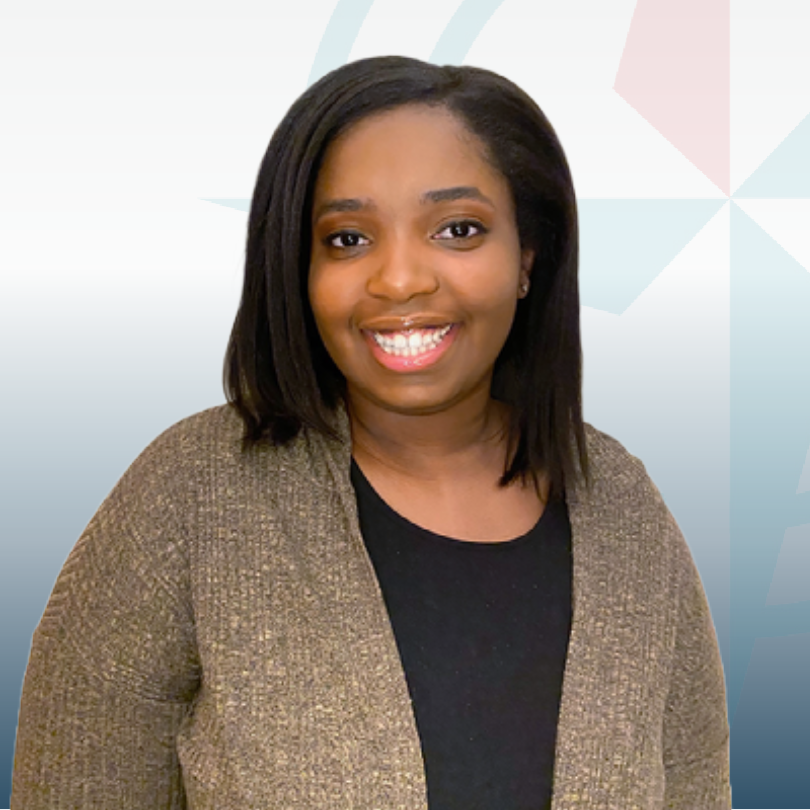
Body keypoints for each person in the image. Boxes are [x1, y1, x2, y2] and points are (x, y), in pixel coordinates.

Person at [11, 56, 730, 809]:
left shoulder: (625, 512)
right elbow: (73, 784)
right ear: (297, 266)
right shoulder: (192, 498)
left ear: (528, 256)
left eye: (458, 229)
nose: (398, 280)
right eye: (348, 239)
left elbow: (696, 788)